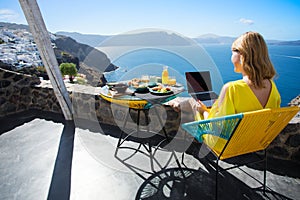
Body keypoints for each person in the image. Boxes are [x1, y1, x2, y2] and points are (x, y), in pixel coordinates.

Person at [169, 31, 281, 119]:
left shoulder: (232, 89)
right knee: (208, 102)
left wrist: (203, 111)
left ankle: (175, 103)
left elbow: (216, 128)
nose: (231, 58)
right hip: (252, 140)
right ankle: (178, 103)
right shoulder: (272, 87)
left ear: (243, 56)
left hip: (223, 142)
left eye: (233, 53)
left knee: (194, 102)